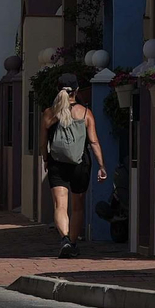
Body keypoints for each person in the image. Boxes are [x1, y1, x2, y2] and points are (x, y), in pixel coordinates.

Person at [41, 72, 107, 258]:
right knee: (77, 206)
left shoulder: (49, 113)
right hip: (80, 164)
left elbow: (43, 143)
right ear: (76, 91)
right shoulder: (85, 113)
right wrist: (101, 166)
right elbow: (94, 142)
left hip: (57, 163)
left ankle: (64, 240)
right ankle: (73, 243)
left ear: (58, 89)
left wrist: (46, 159)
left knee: (60, 205)